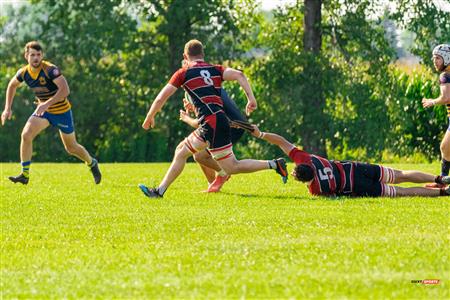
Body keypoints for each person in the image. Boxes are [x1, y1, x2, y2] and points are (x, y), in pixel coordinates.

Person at [138, 39, 287, 198]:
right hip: (217, 120)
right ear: (202, 54)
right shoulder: (215, 69)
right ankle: (275, 164)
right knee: (199, 156)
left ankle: (159, 192)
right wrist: (251, 99)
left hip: (212, 122)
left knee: (221, 164)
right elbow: (239, 75)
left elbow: (161, 98)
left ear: (185, 56)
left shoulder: (183, 72)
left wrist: (149, 117)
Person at [1, 41, 101, 185]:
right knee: (26, 135)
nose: (36, 58)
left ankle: (92, 163)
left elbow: (65, 90)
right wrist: (7, 108)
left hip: (62, 112)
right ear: (26, 56)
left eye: (38, 55)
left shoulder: (50, 69)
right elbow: (12, 85)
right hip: (44, 112)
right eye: (32, 55)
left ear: (42, 55)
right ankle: (25, 174)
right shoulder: (24, 72)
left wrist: (46, 104)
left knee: (71, 147)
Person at [250, 125, 450, 197]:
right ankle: (440, 178)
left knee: (403, 192)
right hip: (357, 169)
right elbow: (281, 142)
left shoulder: (315, 190)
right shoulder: (305, 158)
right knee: (401, 175)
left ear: (302, 180)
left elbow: (332, 196)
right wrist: (260, 134)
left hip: (358, 186)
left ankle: (442, 192)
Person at [179, 88, 248, 192]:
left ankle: (223, 173)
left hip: (230, 127)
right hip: (235, 124)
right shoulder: (207, 84)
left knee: (199, 155)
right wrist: (194, 108)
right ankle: (213, 185)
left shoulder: (196, 89)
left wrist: (186, 118)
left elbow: (199, 123)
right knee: (199, 152)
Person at [422, 44, 450, 188]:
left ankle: (443, 181)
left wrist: (431, 101)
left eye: (438, 58)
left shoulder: (445, 75)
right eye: (434, 58)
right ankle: (443, 180)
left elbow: (446, 98)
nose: (435, 61)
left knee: (445, 147)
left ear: (447, 58)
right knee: (446, 148)